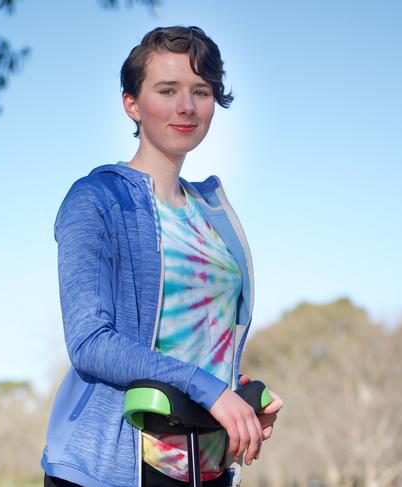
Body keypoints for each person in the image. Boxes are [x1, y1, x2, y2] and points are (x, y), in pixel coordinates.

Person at [41, 26, 283, 487]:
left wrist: (238, 401)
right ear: (131, 103)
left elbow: (197, 345)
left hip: (206, 468)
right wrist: (208, 389)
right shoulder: (97, 200)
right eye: (167, 90)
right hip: (114, 469)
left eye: (201, 91)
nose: (186, 107)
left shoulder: (213, 215)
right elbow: (91, 341)